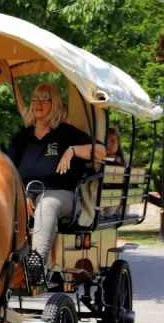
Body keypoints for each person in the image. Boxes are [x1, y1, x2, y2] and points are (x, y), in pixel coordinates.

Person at [6, 83, 105, 267]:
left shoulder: (67, 133)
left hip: (62, 195)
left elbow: (100, 152)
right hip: (26, 193)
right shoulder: (22, 138)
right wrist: (23, 195)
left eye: (45, 99)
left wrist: (72, 151)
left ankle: (36, 266)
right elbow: (9, 170)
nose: (38, 103)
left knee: (46, 204)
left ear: (56, 104)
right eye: (35, 98)